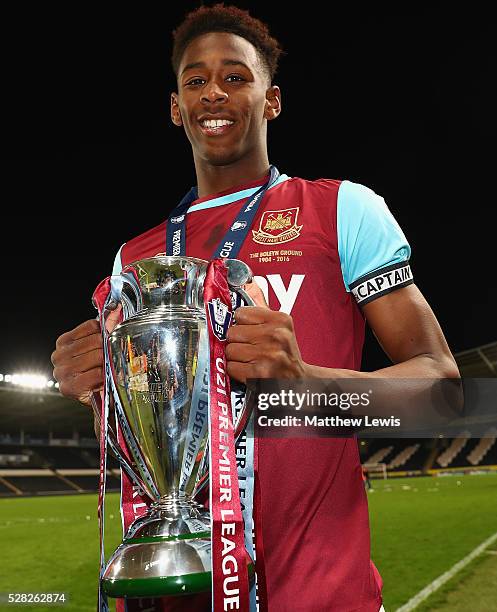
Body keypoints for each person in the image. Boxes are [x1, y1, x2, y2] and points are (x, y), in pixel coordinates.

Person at [51, 4, 459, 611]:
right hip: (187, 597)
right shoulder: (134, 260)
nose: (214, 92)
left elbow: (445, 394)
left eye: (236, 77)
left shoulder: (344, 210)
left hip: (325, 594)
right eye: (195, 80)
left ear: (271, 100)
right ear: (175, 107)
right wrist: (98, 392)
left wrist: (303, 383)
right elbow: (139, 440)